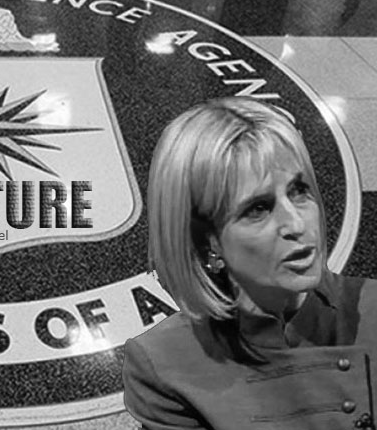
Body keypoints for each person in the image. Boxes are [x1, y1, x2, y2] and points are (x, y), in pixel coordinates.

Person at [122, 97, 377, 430]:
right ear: (206, 241)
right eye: (258, 209)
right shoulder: (164, 365)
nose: (296, 224)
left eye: (299, 191)